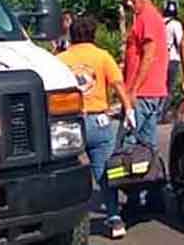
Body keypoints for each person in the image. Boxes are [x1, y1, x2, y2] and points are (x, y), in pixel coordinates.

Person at [56, 16, 135, 239]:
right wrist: (128, 110)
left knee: (68, 172)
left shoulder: (61, 59)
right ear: (93, 34)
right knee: (104, 174)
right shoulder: (102, 56)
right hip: (100, 121)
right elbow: (118, 84)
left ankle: (67, 221)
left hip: (69, 124)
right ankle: (114, 218)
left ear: (71, 34)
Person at [120, 0, 168, 206]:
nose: (129, 3)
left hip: (144, 92)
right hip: (152, 91)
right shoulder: (147, 18)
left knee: (129, 147)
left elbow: (148, 56)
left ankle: (134, 198)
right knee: (147, 146)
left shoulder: (147, 18)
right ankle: (153, 195)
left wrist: (133, 90)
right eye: (126, 0)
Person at [161, 0, 183, 119]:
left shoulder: (159, 22)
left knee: (161, 87)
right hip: (173, 59)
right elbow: (180, 42)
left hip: (160, 60)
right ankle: (163, 114)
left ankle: (157, 112)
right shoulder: (176, 24)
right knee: (170, 88)